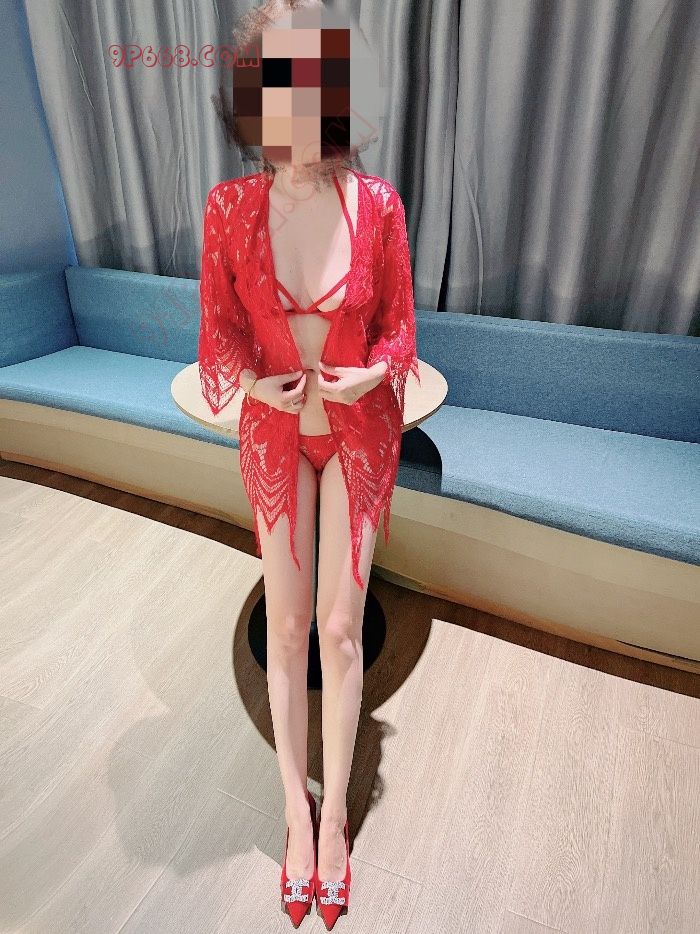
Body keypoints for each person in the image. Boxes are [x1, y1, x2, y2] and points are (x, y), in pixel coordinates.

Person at [198, 0, 419, 926]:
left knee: (339, 629)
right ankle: (297, 808)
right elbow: (219, 335)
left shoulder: (378, 206)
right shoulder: (229, 209)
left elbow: (402, 330)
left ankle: (335, 826)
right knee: (286, 631)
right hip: (276, 434)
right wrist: (255, 383)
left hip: (358, 434)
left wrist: (374, 370)